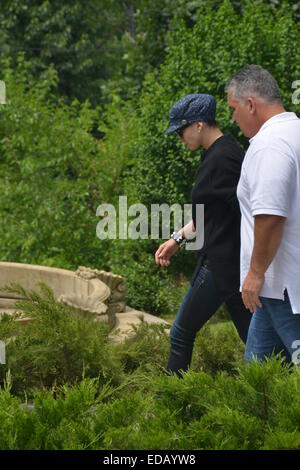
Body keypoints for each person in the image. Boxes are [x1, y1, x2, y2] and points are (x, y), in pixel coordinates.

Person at [155, 93, 252, 377]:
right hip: (234, 268)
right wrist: (177, 238)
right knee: (257, 344)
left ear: (198, 125)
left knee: (181, 333)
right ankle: (278, 403)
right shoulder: (222, 152)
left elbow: (250, 211)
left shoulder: (223, 158)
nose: (179, 138)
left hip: (220, 265)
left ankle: (169, 410)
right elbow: (210, 213)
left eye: (181, 130)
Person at [226, 64, 300, 364]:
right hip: (277, 288)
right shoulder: (293, 131)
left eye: (234, 108)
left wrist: (255, 274)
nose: (233, 117)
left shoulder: (270, 145)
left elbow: (270, 216)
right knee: (260, 377)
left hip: (280, 286)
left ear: (251, 105)